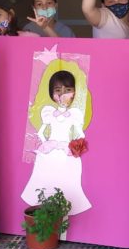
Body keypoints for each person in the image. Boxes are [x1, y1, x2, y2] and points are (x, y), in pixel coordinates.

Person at [21, 68, 92, 214]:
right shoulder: (49, 113)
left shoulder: (74, 115)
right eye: (58, 90)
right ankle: (44, 207)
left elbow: (80, 134)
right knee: (45, 176)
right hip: (50, 150)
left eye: (68, 90)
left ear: (74, 93)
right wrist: (46, 143)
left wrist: (74, 145)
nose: (62, 95)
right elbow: (41, 132)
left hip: (66, 151)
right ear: (51, 93)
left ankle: (65, 210)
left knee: (68, 179)